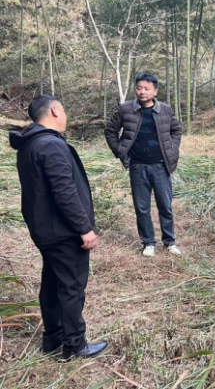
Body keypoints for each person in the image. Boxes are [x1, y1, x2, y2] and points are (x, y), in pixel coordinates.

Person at [9, 95, 108, 360]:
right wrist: (84, 228)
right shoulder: (50, 145)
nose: (65, 116)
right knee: (71, 286)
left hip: (45, 229)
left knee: (52, 284)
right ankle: (75, 344)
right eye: (63, 111)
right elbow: (65, 192)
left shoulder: (30, 144)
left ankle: (53, 338)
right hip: (63, 231)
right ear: (54, 111)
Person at [105, 73, 183, 257]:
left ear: (155, 91)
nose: (142, 92)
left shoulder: (165, 110)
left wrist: (172, 150)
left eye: (147, 88)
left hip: (160, 166)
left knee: (165, 205)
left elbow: (176, 129)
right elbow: (110, 130)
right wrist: (120, 151)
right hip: (137, 166)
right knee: (142, 207)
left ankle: (169, 242)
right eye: (139, 88)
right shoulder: (125, 109)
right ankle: (148, 242)